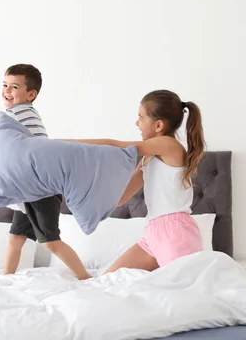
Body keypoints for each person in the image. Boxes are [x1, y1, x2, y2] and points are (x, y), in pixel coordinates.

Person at [65, 89, 205, 274]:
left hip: (175, 234)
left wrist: (63, 146)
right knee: (108, 279)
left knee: (183, 293)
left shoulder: (170, 146)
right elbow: (121, 197)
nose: (136, 123)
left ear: (158, 125)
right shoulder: (149, 159)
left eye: (141, 117)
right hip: (154, 234)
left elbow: (115, 147)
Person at [0, 63, 90, 280]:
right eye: (4, 85)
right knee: (15, 237)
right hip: (28, 189)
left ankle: (86, 278)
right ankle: (4, 279)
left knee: (50, 240)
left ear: (31, 94)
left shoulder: (19, 113)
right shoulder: (19, 113)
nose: (6, 91)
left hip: (42, 188)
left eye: (14, 87)